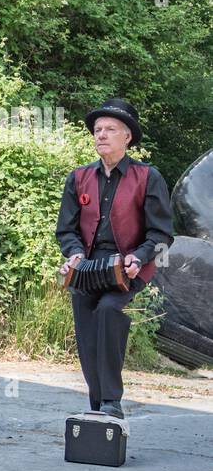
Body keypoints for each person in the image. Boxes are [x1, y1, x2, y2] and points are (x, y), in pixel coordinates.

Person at [55, 98, 173, 418]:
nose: (101, 135)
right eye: (97, 130)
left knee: (108, 310)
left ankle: (112, 400)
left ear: (127, 137)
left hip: (129, 265)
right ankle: (98, 403)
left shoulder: (148, 177)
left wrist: (139, 257)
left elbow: (161, 233)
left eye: (110, 129)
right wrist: (74, 254)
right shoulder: (78, 178)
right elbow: (66, 230)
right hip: (89, 265)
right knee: (85, 319)